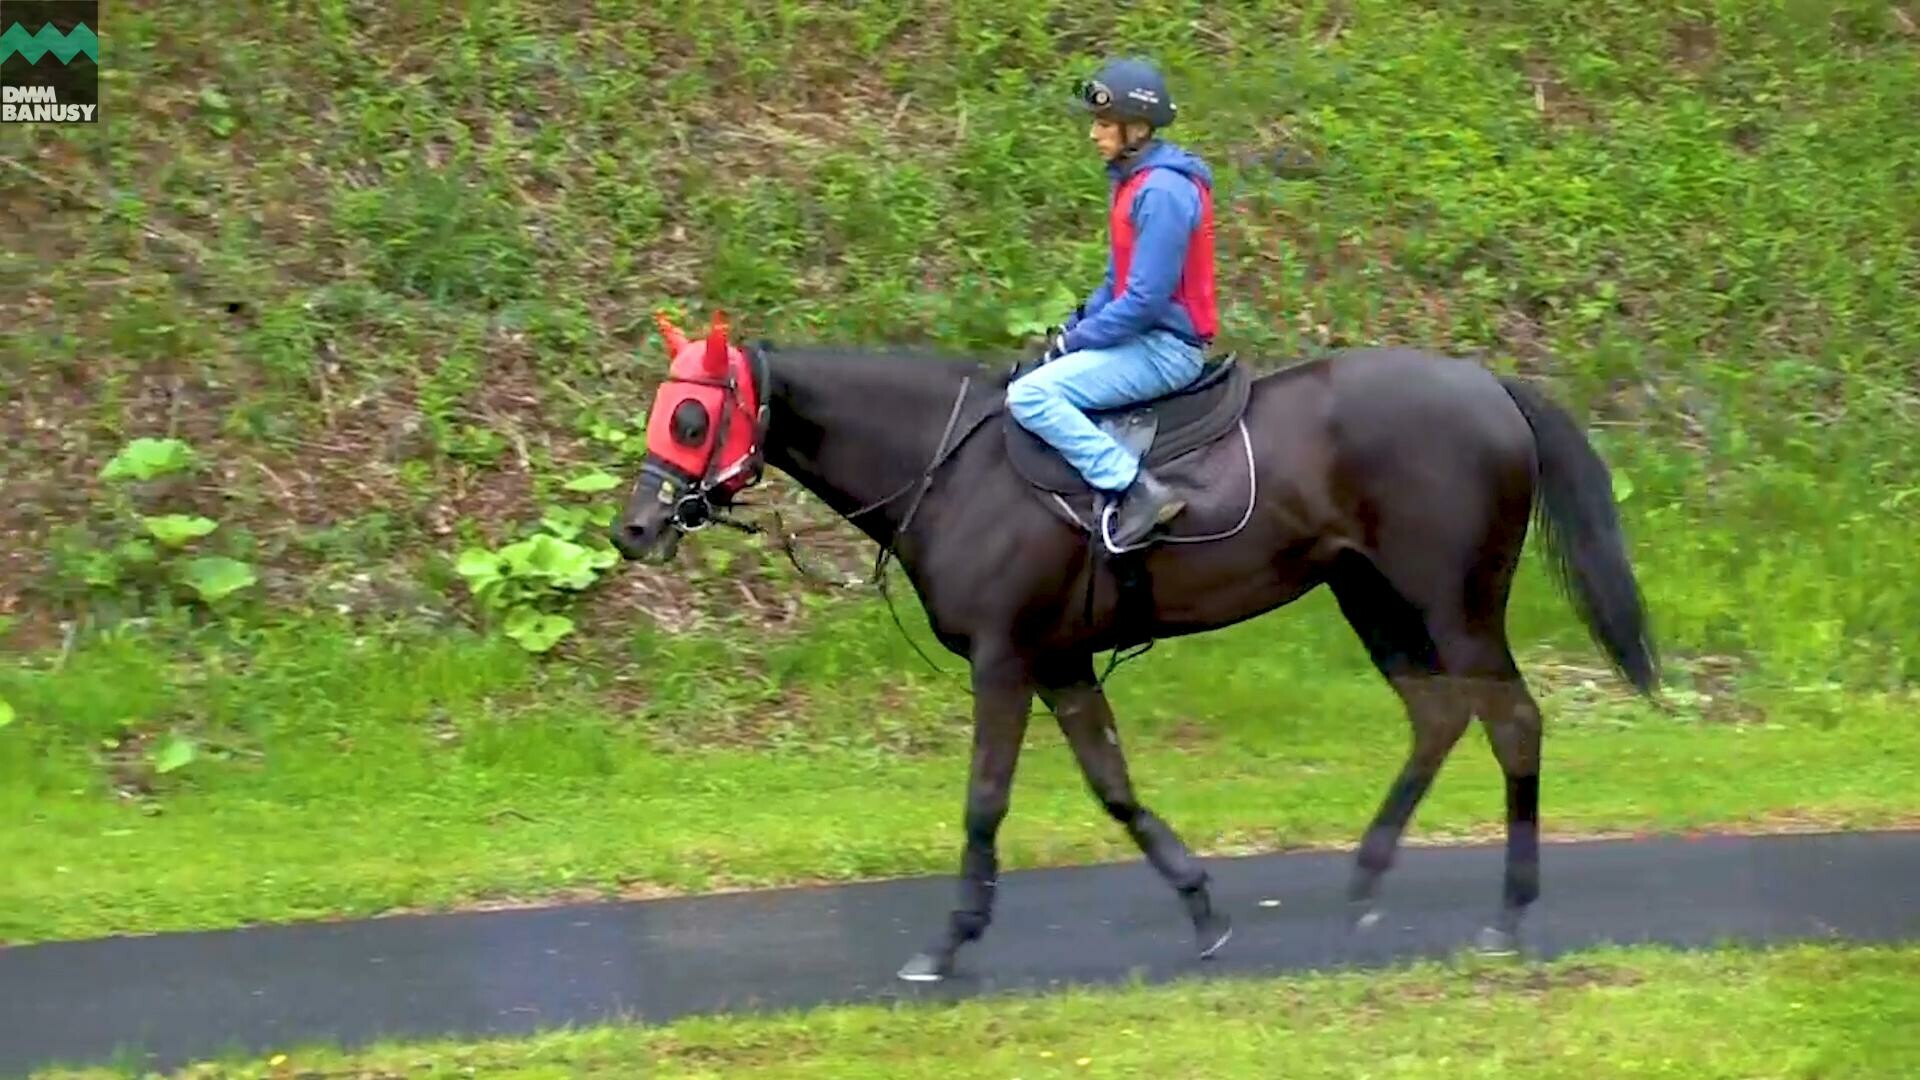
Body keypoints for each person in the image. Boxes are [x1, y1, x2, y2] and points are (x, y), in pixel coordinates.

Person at [1007, 56, 1218, 551]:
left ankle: (1136, 487)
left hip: (1168, 347)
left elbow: (1144, 301)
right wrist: (1072, 327)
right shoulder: (1135, 184)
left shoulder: (1163, 192)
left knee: (1031, 397)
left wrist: (1075, 342)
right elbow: (1116, 283)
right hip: (1145, 335)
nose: (1094, 135)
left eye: (1103, 124)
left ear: (1137, 128)